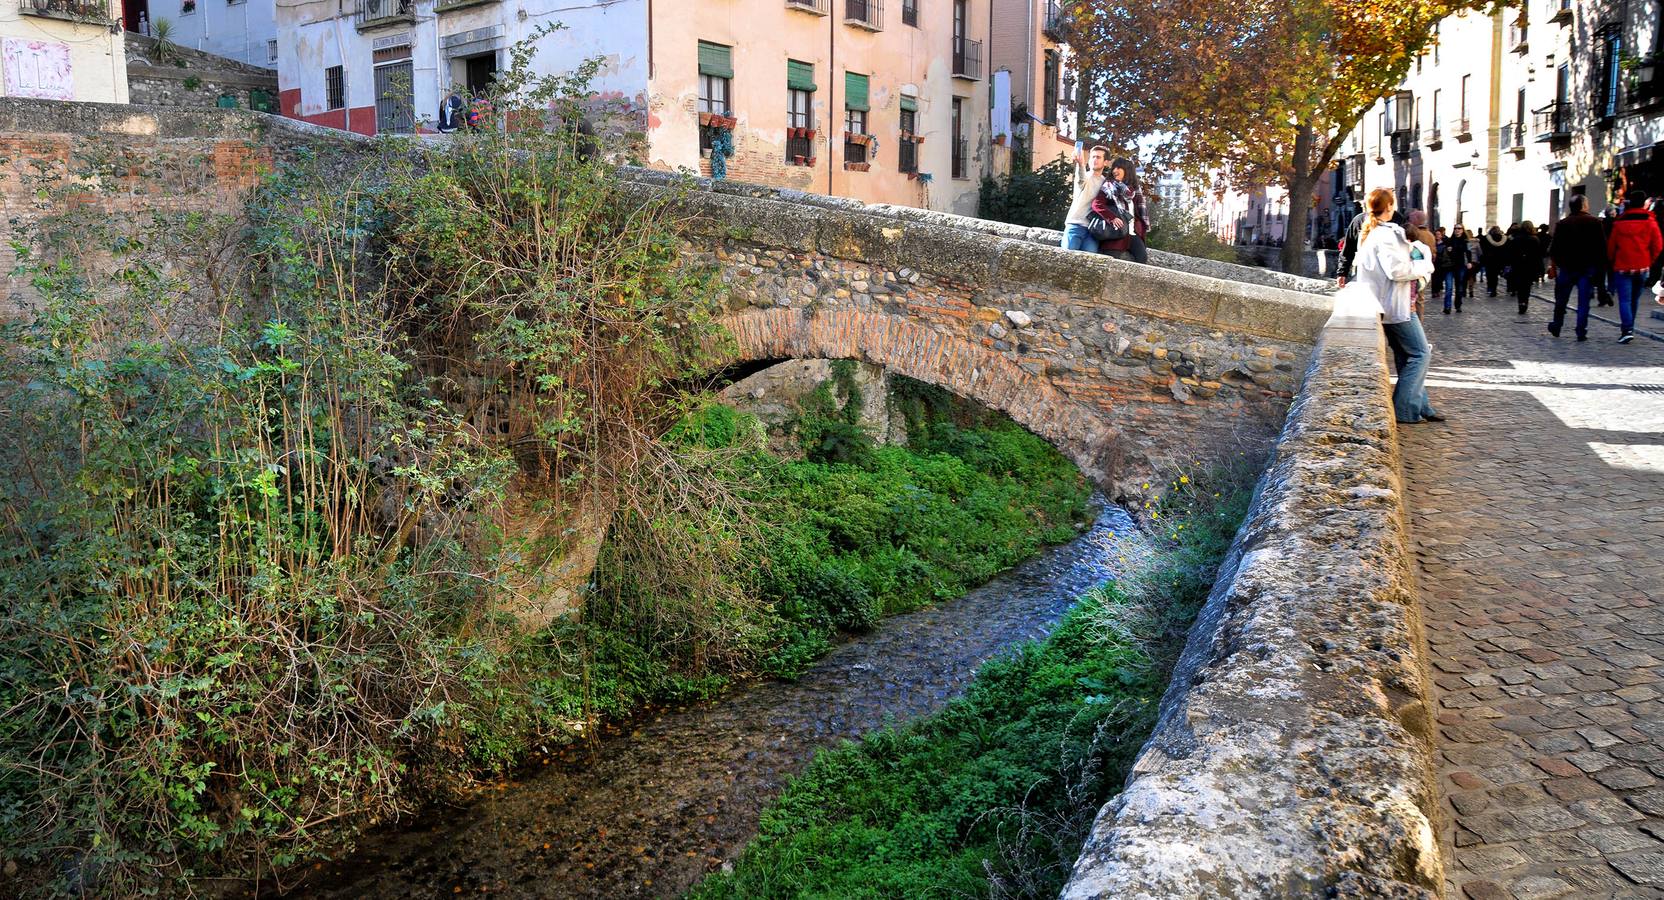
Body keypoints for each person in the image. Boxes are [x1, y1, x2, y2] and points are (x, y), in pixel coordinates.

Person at [1355, 187, 1441, 424]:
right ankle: (1404, 410)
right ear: (1390, 206)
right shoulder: (1385, 234)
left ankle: (1422, 406)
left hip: (1386, 306)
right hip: (1397, 307)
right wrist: (1426, 266)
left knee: (1407, 356)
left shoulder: (1374, 233)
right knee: (1421, 354)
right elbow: (1398, 271)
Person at [1546, 195, 1608, 341]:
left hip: (1567, 268)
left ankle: (1557, 324)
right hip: (1587, 268)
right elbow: (1601, 249)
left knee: (1561, 299)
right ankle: (1581, 330)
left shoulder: (1563, 224)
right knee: (1583, 301)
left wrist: (1561, 263)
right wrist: (1599, 268)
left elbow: (1554, 249)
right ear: (1583, 206)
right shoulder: (1594, 222)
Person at [1608, 188, 1664, 344]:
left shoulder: (1619, 222)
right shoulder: (1650, 221)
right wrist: (1649, 260)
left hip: (1622, 266)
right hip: (1642, 267)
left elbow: (1611, 247)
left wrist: (1612, 261)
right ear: (1644, 203)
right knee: (1634, 300)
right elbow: (1658, 245)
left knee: (1624, 300)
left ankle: (1627, 330)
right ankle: (1629, 328)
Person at [1092, 157, 1150, 264]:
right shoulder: (1108, 186)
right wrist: (1112, 218)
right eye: (1114, 168)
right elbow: (1097, 204)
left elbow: (1140, 211)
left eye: (1119, 168)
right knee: (1110, 262)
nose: (1115, 170)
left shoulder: (1135, 189)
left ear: (1127, 170)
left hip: (1132, 232)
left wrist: (1141, 227)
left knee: (1142, 259)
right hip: (1116, 233)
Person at [1062, 144, 1109, 253]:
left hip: (1093, 230)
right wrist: (1081, 164)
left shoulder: (1106, 183)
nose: (1094, 160)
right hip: (1075, 225)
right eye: (1092, 157)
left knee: (1090, 264)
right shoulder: (1086, 176)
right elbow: (1081, 179)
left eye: (1098, 157)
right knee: (1067, 260)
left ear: (1105, 162)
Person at [1507, 221, 1544, 315]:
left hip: (1518, 265)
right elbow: (1538, 256)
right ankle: (1525, 302)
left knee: (1520, 286)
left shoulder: (1516, 239)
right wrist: (1539, 268)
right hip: (1530, 266)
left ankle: (1521, 302)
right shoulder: (1535, 239)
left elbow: (1511, 253)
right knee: (1527, 286)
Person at [1439, 225, 1474, 314]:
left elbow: (1469, 252)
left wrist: (1470, 262)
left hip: (1460, 266)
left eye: (1459, 228)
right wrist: (1448, 249)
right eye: (1455, 228)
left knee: (1459, 287)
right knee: (1449, 287)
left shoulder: (1466, 241)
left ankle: (1458, 305)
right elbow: (1443, 251)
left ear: (1462, 230)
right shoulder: (1449, 241)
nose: (1457, 230)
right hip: (1449, 267)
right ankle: (1447, 307)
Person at [1479, 225, 1509, 297]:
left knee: (1490, 275)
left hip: (1489, 260)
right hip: (1500, 260)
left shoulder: (1486, 238)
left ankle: (1491, 288)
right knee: (1496, 275)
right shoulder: (1505, 239)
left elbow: (1482, 249)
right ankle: (1494, 289)